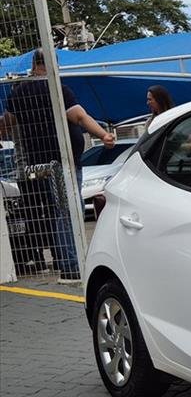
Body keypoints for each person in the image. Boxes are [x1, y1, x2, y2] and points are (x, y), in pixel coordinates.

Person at [0, 49, 114, 281]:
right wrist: (104, 135)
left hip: (37, 163)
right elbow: (79, 116)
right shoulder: (57, 89)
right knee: (69, 211)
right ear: (51, 65)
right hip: (63, 161)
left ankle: (66, 261)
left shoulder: (18, 93)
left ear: (34, 64)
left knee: (56, 211)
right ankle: (72, 266)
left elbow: (7, 123)